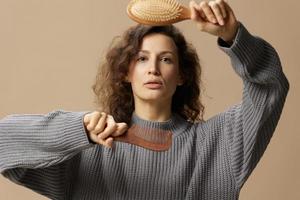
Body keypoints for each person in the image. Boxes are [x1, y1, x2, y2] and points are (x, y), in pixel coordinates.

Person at [0, 0, 289, 199]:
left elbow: (270, 86)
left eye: (166, 59)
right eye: (141, 59)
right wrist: (77, 130)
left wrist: (232, 34)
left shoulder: (220, 144)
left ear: (181, 75)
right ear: (126, 72)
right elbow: (4, 143)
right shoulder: (90, 151)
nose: (153, 68)